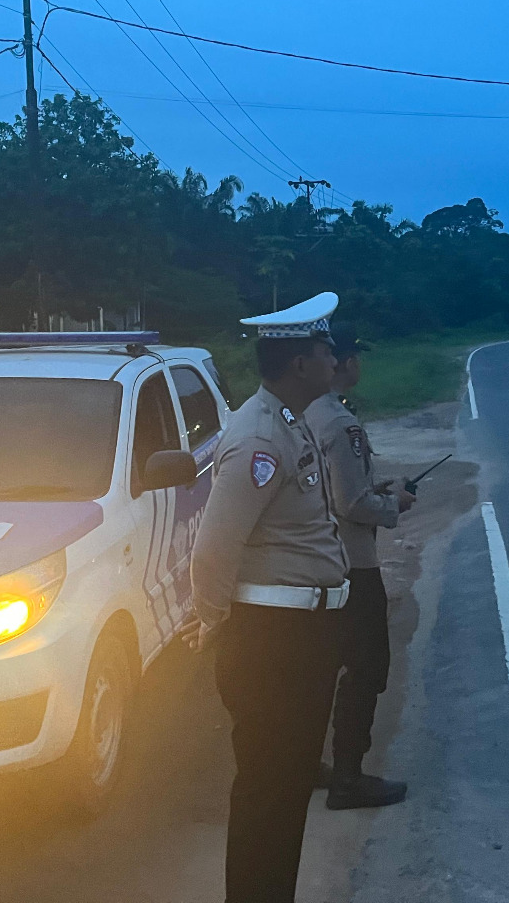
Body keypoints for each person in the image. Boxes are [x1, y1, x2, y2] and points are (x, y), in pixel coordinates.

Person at [185, 291, 350, 903]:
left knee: (286, 787)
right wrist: (217, 625)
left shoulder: (289, 418)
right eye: (326, 349)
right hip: (272, 641)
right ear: (301, 363)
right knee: (268, 789)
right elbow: (213, 550)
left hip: (299, 637)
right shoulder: (257, 436)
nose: (336, 359)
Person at [305, 330, 413, 809]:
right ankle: (349, 776)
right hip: (352, 565)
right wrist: (395, 502)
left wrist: (378, 488)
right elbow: (352, 502)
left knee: (317, 669)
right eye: (349, 358)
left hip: (313, 562)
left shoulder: (301, 414)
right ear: (343, 363)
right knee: (366, 669)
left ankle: (306, 764)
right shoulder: (338, 421)